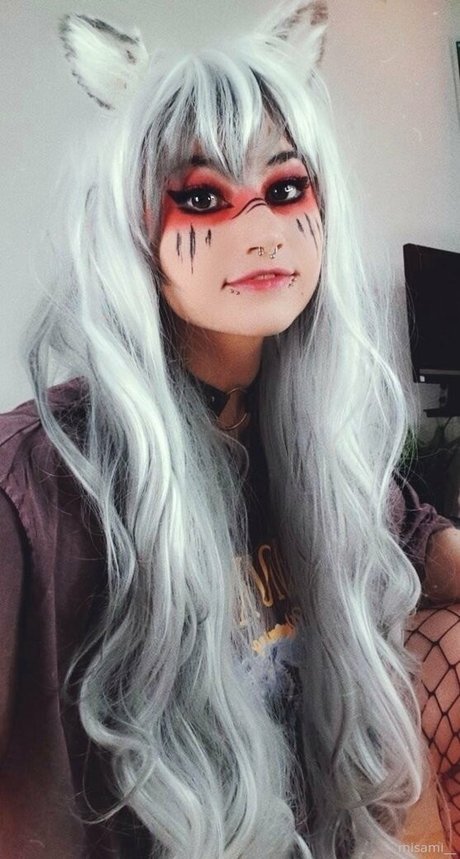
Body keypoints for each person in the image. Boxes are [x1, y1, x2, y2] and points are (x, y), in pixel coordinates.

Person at [0, 1, 459, 856]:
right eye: (204, 197)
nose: (260, 233)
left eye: (284, 189)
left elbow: (408, 529)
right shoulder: (38, 482)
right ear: (133, 226)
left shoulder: (314, 442)